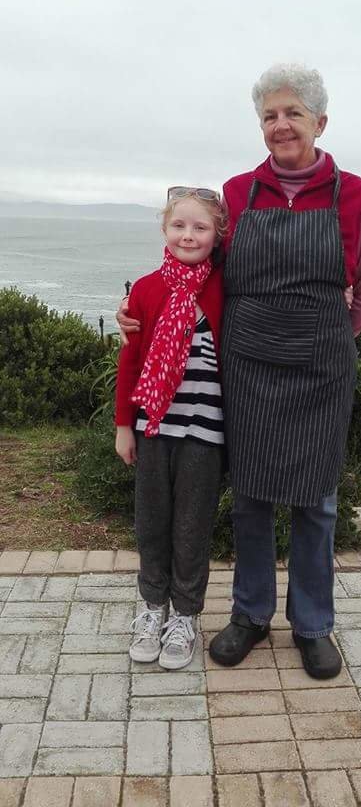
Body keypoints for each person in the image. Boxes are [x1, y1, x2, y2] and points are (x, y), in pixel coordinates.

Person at [119, 63, 361, 679]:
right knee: (252, 498)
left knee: (316, 502)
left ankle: (313, 625)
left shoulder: (356, 195)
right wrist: (140, 310)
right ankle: (250, 615)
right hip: (248, 369)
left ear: (320, 122)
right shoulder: (237, 193)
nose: (281, 124)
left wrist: (326, 337)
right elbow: (198, 268)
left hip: (321, 372)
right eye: (270, 115)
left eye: (294, 113)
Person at [115, 187, 226, 669]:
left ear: (218, 235)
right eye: (179, 225)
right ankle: (152, 606)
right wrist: (124, 426)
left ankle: (185, 615)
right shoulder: (145, 289)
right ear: (164, 229)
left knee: (192, 527)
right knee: (152, 524)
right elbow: (130, 360)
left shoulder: (225, 287)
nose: (188, 235)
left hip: (206, 432)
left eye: (201, 227)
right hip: (154, 427)